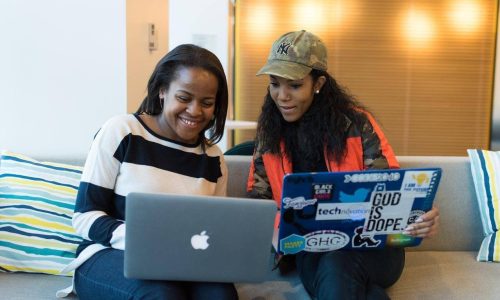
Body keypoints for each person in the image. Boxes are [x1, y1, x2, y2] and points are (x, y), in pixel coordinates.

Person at [247, 30, 440, 300]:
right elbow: (258, 201)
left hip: (374, 248)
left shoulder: (357, 124)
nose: (281, 96)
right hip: (309, 248)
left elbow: (389, 187)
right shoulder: (269, 134)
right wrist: (274, 229)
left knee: (338, 262)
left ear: (318, 83)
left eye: (294, 85)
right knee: (360, 287)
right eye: (275, 83)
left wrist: (419, 215)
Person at [60, 44, 238, 300]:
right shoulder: (122, 132)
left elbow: (213, 229)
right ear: (163, 90)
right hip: (108, 255)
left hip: (184, 262)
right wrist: (145, 242)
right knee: (161, 295)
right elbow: (84, 216)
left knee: (221, 296)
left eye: (207, 103)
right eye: (184, 98)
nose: (195, 111)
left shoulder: (213, 158)